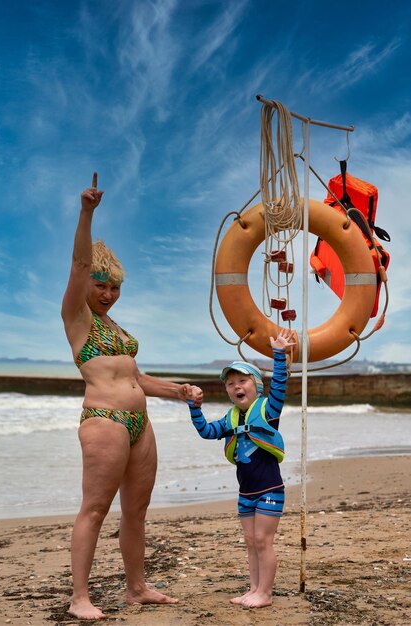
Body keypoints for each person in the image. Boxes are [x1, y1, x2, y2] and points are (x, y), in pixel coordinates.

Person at [61, 172, 203, 620]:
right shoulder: (77, 318)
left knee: (136, 511)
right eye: (101, 284)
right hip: (104, 421)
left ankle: (136, 588)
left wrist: (179, 391)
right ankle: (79, 596)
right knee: (96, 508)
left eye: (114, 286)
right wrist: (87, 213)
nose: (107, 293)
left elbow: (137, 379)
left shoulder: (117, 330)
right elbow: (80, 264)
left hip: (140, 426)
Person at [188, 329, 294, 608]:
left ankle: (266, 593)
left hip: (270, 489)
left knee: (262, 540)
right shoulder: (230, 418)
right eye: (230, 383)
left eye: (242, 380)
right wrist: (195, 408)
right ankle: (254, 589)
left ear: (256, 385)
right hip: (246, 492)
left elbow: (280, 385)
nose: (236, 386)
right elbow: (207, 432)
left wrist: (279, 356)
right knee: (250, 541)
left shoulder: (268, 410)